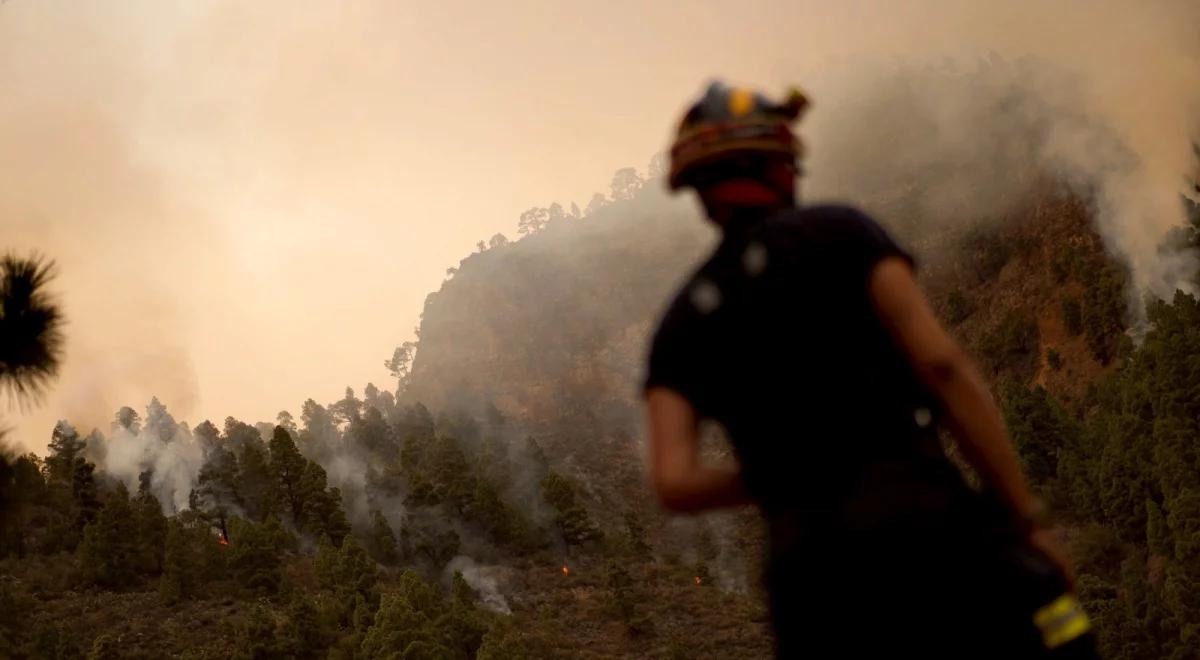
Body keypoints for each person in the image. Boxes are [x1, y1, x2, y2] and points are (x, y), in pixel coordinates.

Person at [643, 82, 1097, 659]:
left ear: (699, 192)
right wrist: (1024, 518)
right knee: (1056, 632)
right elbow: (942, 366)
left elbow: (673, 481)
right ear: (783, 165)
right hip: (928, 530)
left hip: (810, 584)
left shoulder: (684, 317)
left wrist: (780, 474)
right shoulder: (842, 232)